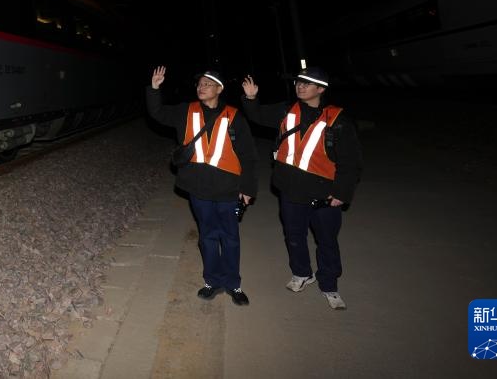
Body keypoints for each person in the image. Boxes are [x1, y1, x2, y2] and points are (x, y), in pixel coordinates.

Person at [241, 66, 362, 310]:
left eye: (307, 83)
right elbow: (258, 116)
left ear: (321, 89)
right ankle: (302, 273)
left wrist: (341, 192)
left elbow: (351, 161)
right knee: (294, 235)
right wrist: (251, 99)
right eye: (299, 82)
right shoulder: (287, 110)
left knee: (327, 240)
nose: (301, 86)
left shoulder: (337, 119)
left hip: (324, 193)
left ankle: (329, 284)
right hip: (290, 188)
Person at [147, 66, 258, 306]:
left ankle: (233, 284)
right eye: (200, 84)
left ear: (219, 89)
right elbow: (158, 113)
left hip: (228, 188)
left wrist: (248, 189)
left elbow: (248, 155)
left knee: (230, 238)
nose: (201, 87)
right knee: (208, 236)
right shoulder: (186, 110)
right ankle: (212, 281)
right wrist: (154, 89)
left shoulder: (234, 116)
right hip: (198, 188)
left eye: (208, 84)